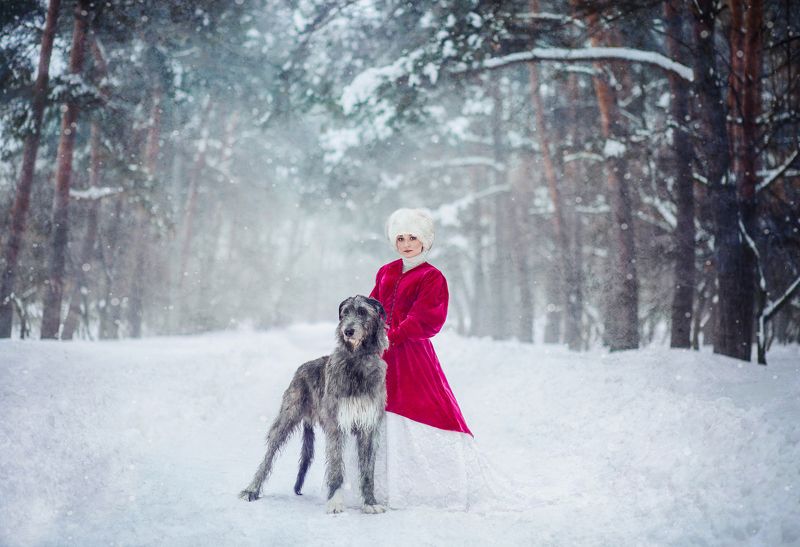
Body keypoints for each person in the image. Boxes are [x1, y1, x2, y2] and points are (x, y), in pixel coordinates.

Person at [364, 207, 495, 510]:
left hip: (412, 355)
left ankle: (425, 490)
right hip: (378, 356)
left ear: (425, 240)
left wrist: (392, 336)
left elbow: (426, 318)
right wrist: (366, 335)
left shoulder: (432, 277)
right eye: (400, 238)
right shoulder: (385, 271)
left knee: (422, 408)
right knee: (375, 411)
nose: (406, 243)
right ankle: (378, 488)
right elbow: (370, 306)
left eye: (413, 237)